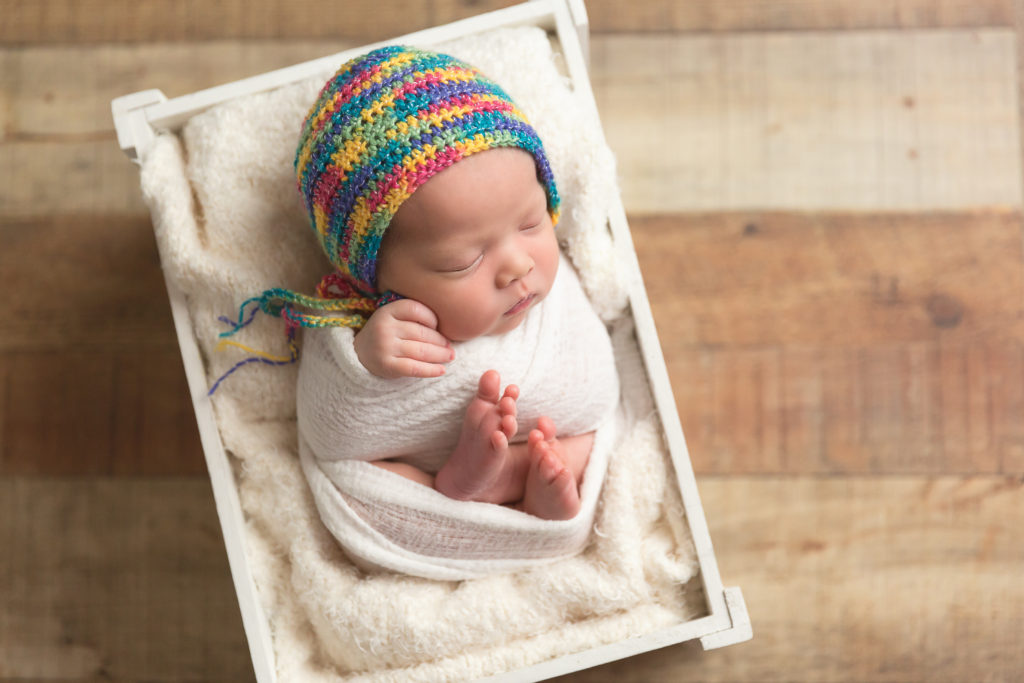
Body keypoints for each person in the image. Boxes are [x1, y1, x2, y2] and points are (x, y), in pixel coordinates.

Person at [232, 45, 618, 524]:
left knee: (589, 433)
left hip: (552, 432)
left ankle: (506, 478)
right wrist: (367, 360)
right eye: (463, 262)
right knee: (364, 482)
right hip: (430, 477)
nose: (518, 266)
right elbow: (331, 431)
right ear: (371, 276)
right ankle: (468, 487)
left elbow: (595, 388)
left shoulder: (543, 287)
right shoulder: (369, 327)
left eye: (532, 222)